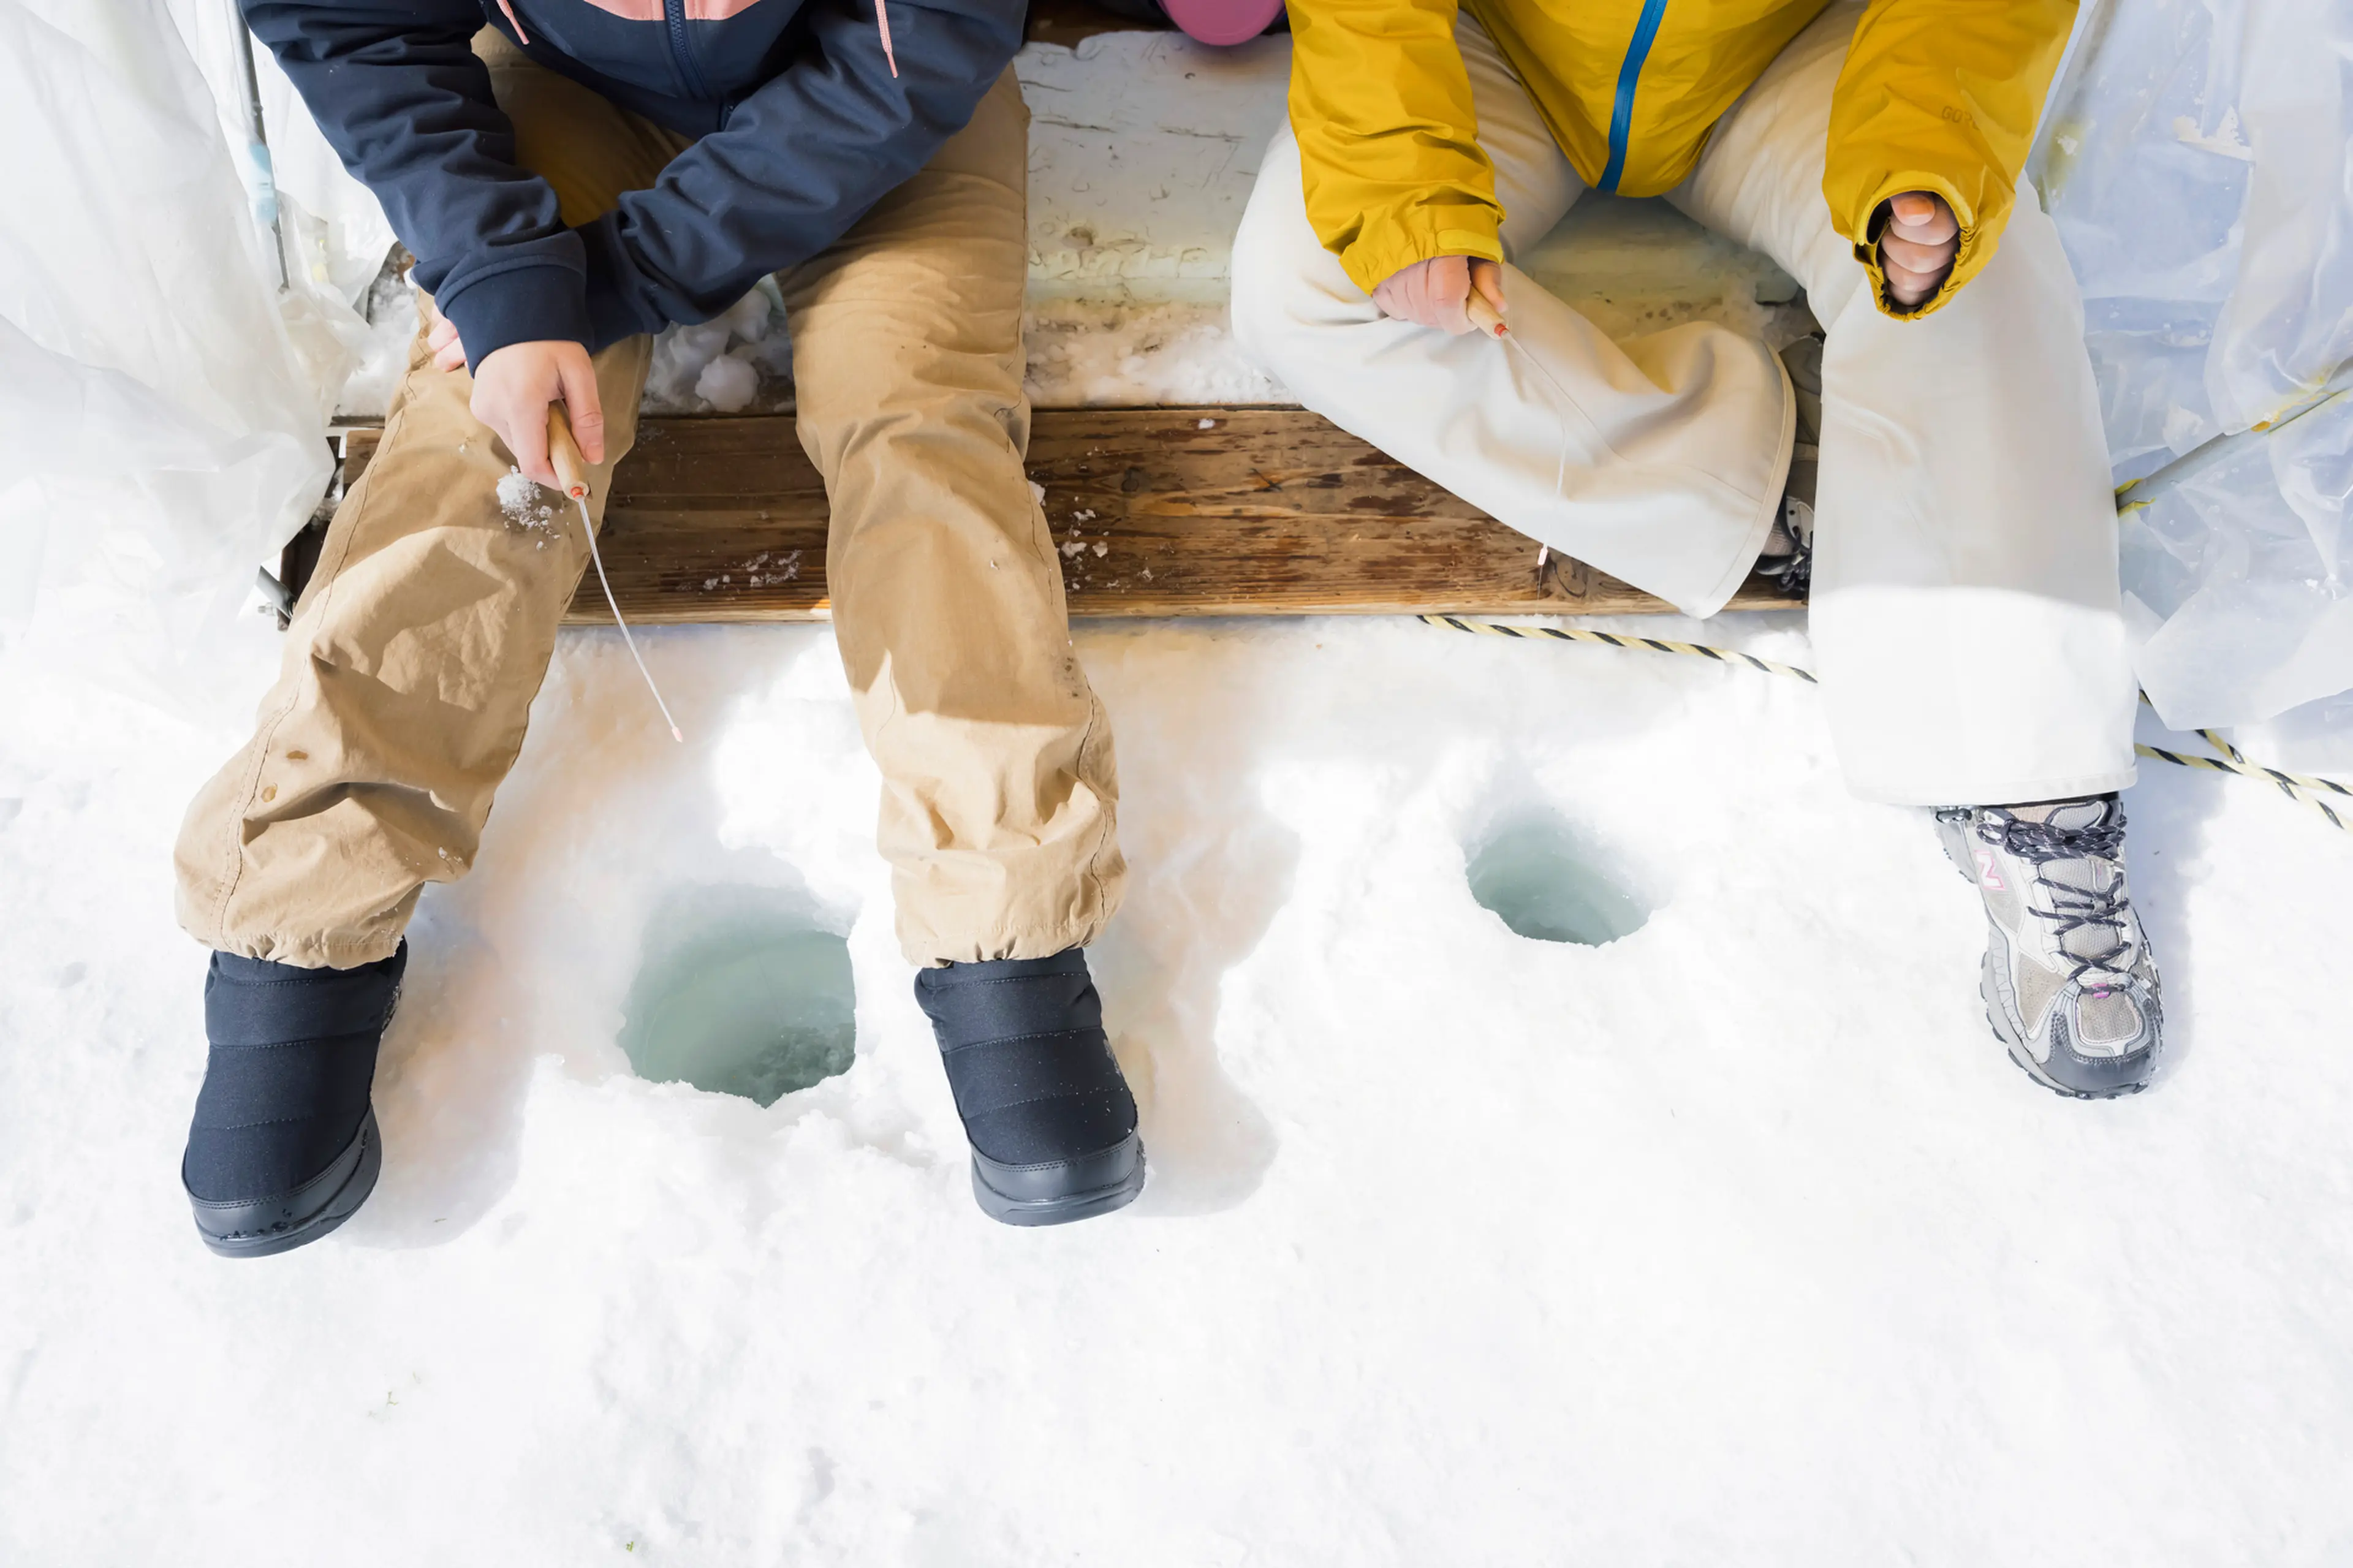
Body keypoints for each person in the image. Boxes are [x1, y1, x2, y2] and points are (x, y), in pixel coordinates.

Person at [175, 0, 1146, 1257]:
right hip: (569, 94)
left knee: (920, 428)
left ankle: (1008, 924)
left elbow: (918, 53)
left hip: (891, 97)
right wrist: (508, 279)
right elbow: (348, 23)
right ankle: (302, 912)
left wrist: (618, 282)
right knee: (487, 441)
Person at [1231, 0, 2161, 1098]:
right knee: (1306, 283)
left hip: (1795, 50)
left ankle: (2028, 785)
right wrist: (1403, 190)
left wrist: (1923, 147)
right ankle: (1778, 475)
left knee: (1979, 267)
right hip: (1499, 44)